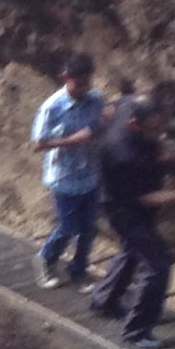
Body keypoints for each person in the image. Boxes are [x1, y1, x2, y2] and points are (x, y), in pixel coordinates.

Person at [89, 93, 175, 349]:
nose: (160, 133)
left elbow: (113, 107)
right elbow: (146, 199)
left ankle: (105, 300)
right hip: (124, 209)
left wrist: (164, 154)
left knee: (132, 251)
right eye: (154, 129)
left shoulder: (129, 109)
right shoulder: (124, 156)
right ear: (134, 125)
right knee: (158, 266)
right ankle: (136, 331)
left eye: (162, 126)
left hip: (132, 195)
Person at [31, 55, 107, 289]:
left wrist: (96, 129)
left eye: (87, 83)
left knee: (88, 228)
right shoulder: (52, 107)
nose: (84, 89)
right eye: (79, 84)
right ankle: (45, 258)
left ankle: (79, 271)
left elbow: (104, 120)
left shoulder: (95, 100)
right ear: (66, 78)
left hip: (90, 174)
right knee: (67, 227)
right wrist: (71, 141)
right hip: (64, 177)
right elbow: (38, 144)